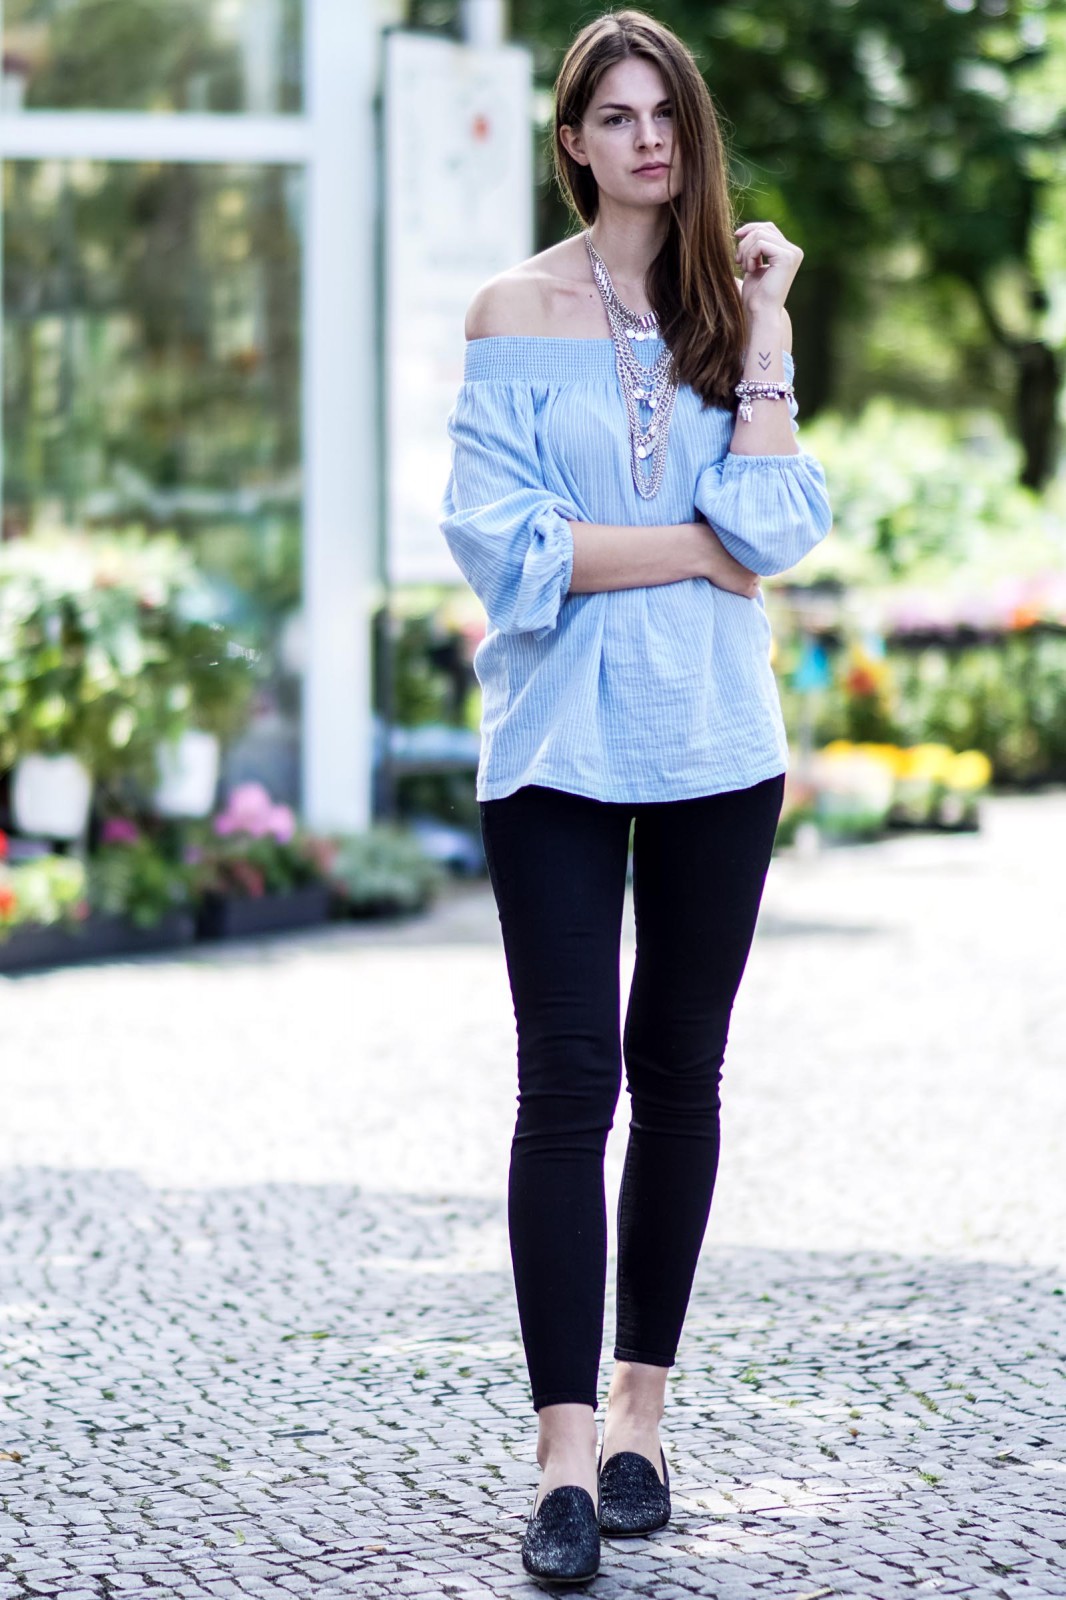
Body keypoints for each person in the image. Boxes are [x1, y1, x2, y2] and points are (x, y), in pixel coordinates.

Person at [440, 8, 832, 1583]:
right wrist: (689, 545)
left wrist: (772, 336)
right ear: (571, 141)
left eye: (662, 112)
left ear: (690, 133)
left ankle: (638, 1420)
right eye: (612, 116)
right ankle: (553, 1456)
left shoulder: (730, 315)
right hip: (548, 745)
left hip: (711, 745)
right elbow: (507, 554)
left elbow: (779, 522)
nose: (644, 140)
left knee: (679, 1076)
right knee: (563, 1085)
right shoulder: (507, 310)